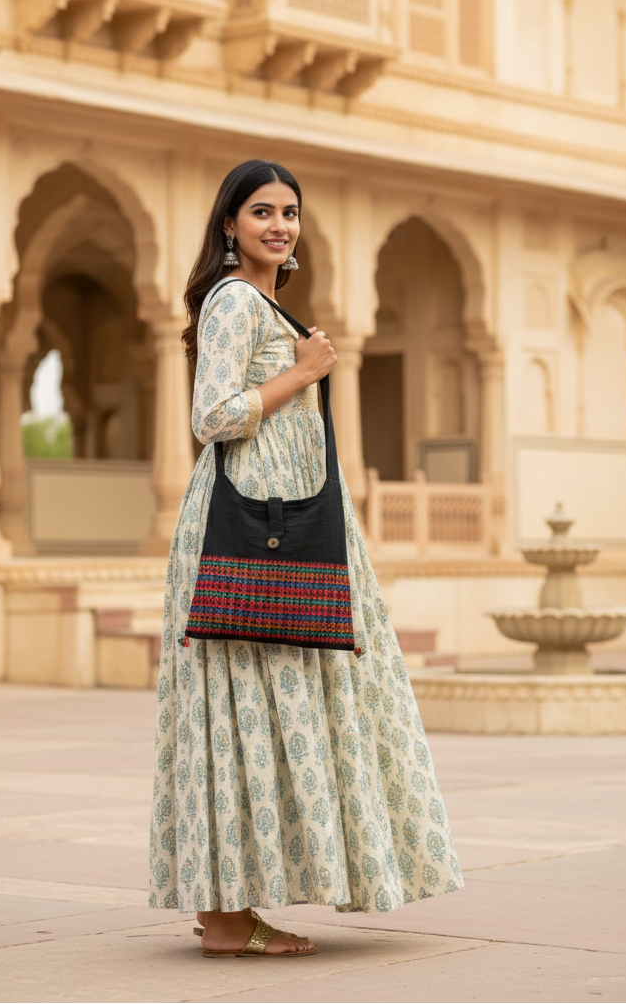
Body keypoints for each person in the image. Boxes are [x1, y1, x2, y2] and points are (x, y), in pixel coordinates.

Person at [149, 159, 463, 958]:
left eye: (289, 212)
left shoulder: (263, 303)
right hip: (252, 531)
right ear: (229, 224)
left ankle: (231, 907)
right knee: (244, 710)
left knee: (272, 708)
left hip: (287, 523)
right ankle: (224, 917)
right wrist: (304, 370)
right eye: (260, 211)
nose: (278, 225)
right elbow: (212, 415)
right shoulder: (231, 300)